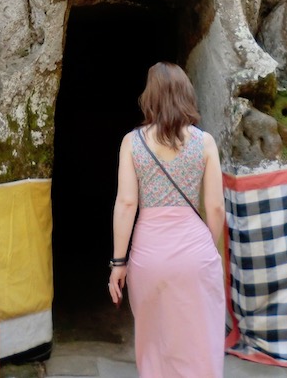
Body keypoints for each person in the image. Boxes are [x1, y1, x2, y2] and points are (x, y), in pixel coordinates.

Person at [108, 61, 226, 377]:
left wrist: (118, 263)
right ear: (186, 94)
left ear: (150, 97)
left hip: (150, 254)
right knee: (200, 339)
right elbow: (215, 207)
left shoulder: (132, 142)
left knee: (154, 341)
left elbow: (126, 203)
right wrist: (207, 249)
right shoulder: (205, 142)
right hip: (196, 252)